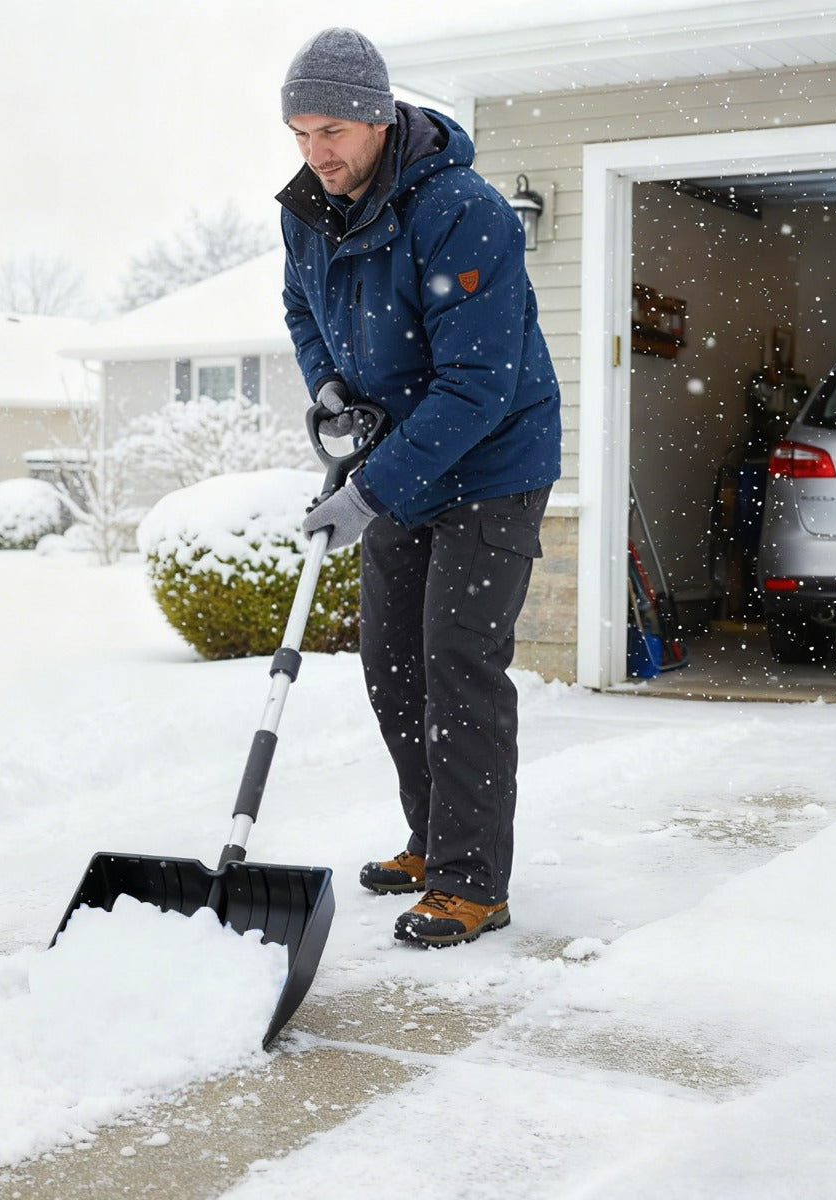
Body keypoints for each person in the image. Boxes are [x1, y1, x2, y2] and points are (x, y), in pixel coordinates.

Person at [277, 27, 562, 948]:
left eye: (332, 132)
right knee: (392, 664)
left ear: (378, 117)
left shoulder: (462, 210)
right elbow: (301, 308)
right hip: (403, 454)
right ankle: (431, 838)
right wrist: (328, 389)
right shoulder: (305, 212)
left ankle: (472, 881)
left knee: (457, 663)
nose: (317, 154)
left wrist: (366, 493)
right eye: (299, 134)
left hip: (493, 465)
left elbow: (480, 383)